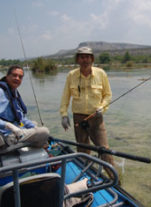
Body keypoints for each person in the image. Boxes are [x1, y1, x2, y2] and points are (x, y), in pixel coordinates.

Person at [60, 47, 116, 179]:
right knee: (83, 150)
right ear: (77, 59)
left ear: (92, 59)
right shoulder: (71, 75)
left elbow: (108, 95)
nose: (85, 60)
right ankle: (86, 176)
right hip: (78, 118)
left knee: (104, 149)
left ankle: (115, 180)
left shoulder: (101, 73)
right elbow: (65, 97)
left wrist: (102, 107)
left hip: (96, 117)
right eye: (82, 57)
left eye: (87, 57)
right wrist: (63, 114)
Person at [0, 65, 49, 148]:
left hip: (16, 127)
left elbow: (20, 118)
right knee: (45, 131)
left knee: (34, 123)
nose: (17, 78)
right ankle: (36, 149)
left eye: (20, 77)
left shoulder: (12, 92)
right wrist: (10, 126)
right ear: (7, 76)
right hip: (6, 135)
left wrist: (34, 127)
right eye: (14, 75)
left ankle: (36, 142)